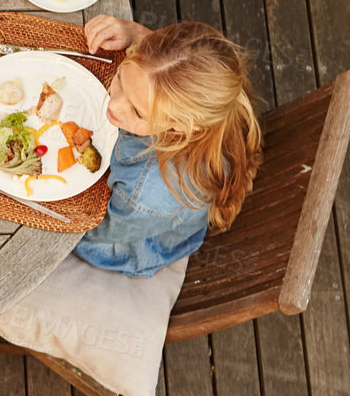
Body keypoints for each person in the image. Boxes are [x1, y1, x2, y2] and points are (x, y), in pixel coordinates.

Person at [75, 15, 264, 275]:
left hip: (126, 241)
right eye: (120, 79)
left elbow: (97, 231)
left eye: (138, 112)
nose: (113, 105)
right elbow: (167, 63)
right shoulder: (179, 86)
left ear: (182, 127)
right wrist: (135, 32)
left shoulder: (148, 193)